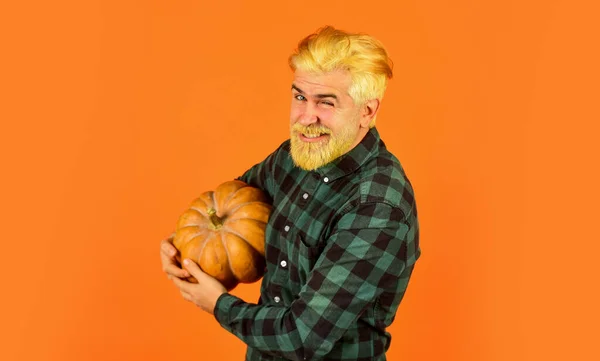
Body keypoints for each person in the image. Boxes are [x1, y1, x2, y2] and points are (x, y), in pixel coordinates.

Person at [160, 25, 421, 361]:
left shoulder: (377, 206)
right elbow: (231, 207)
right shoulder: (294, 156)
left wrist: (219, 305)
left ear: (367, 112)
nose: (306, 117)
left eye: (326, 103)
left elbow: (302, 337)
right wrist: (183, 243)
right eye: (300, 97)